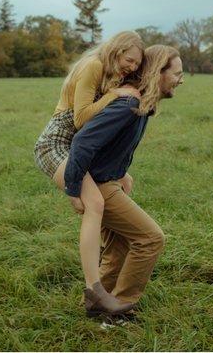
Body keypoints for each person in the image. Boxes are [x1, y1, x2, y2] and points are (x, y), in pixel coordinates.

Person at [64, 44, 183, 320]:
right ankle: (120, 309)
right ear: (158, 72)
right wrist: (74, 190)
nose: (181, 79)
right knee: (150, 238)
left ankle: (98, 306)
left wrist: (121, 173)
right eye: (177, 73)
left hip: (110, 182)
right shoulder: (128, 105)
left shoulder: (142, 104)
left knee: (119, 245)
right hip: (99, 186)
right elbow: (82, 143)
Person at [33, 31, 144, 317]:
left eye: (136, 64)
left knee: (125, 181)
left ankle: (108, 255)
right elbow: (81, 117)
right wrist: (114, 95)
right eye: (128, 59)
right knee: (95, 202)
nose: (131, 67)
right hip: (55, 143)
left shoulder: (113, 73)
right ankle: (94, 291)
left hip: (77, 147)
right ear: (115, 51)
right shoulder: (95, 65)